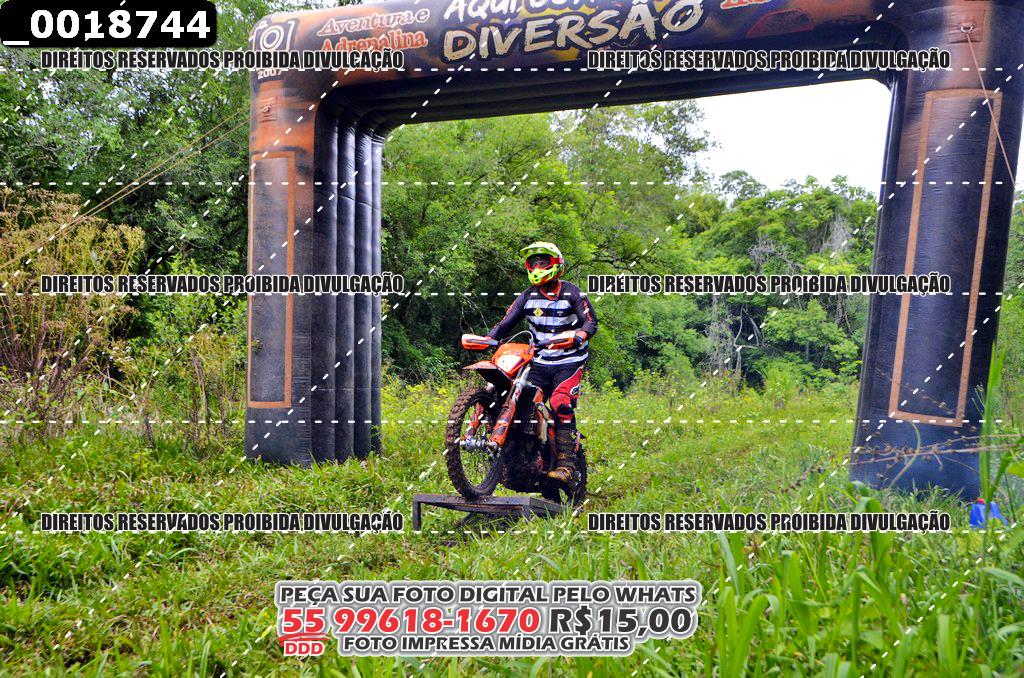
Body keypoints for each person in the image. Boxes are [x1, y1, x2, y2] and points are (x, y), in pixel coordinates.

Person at [485, 241, 598, 485]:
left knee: (560, 402)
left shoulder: (573, 293)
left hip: (569, 362)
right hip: (538, 361)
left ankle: (567, 465)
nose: (537, 267)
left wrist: (580, 335)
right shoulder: (527, 296)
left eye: (543, 262)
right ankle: (526, 453)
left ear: (556, 264)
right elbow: (505, 323)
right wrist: (489, 339)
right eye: (533, 263)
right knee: (522, 400)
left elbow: (590, 322)